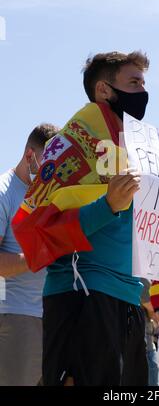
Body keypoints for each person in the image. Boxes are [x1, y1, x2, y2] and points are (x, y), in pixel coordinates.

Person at [13, 51, 150, 386]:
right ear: (104, 90)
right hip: (83, 296)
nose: (144, 93)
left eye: (144, 84)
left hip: (127, 301)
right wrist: (107, 205)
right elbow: (37, 226)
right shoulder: (70, 146)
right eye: (133, 83)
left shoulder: (132, 152)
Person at [0, 123, 59, 386]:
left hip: (51, 317)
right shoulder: (4, 193)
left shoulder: (45, 194)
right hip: (16, 318)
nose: (53, 173)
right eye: (48, 165)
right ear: (28, 156)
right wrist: (41, 254)